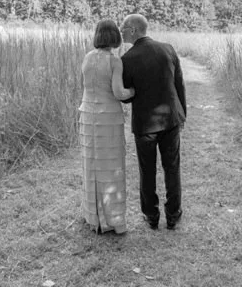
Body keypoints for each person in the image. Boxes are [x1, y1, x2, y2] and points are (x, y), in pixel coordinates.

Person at [119, 13, 186, 230]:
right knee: (172, 167)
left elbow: (127, 96)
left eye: (123, 28)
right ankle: (174, 215)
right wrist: (182, 114)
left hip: (145, 123)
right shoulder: (168, 48)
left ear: (134, 30)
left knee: (146, 170)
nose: (120, 31)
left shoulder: (127, 60)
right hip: (170, 119)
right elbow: (179, 84)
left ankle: (151, 216)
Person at [78, 19, 135, 234]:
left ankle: (93, 216)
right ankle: (111, 219)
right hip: (108, 117)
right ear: (115, 37)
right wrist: (134, 92)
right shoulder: (114, 61)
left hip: (87, 115)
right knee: (110, 166)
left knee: (91, 163)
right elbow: (119, 93)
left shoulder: (87, 57)